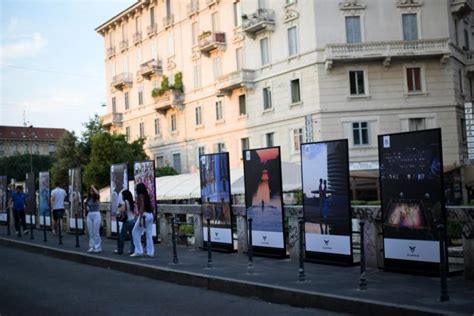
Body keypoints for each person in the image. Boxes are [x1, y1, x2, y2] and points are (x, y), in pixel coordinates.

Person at [130, 183, 154, 258]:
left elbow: (142, 206)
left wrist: (140, 218)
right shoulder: (147, 195)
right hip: (150, 215)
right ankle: (150, 252)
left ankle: (138, 250)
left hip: (144, 215)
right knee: (149, 234)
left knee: (135, 231)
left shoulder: (140, 196)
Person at [115, 189, 136, 255]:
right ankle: (133, 250)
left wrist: (119, 207)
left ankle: (120, 250)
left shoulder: (126, 201)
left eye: (123, 195)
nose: (122, 197)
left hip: (127, 221)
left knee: (122, 236)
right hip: (133, 220)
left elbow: (123, 209)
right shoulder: (131, 202)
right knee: (132, 237)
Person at [86, 185, 102, 253]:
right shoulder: (89, 198)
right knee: (91, 232)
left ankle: (98, 247)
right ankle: (92, 246)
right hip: (90, 214)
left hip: (96, 214)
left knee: (96, 232)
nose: (91, 192)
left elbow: (97, 193)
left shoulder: (97, 197)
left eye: (92, 190)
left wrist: (92, 187)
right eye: (90, 190)